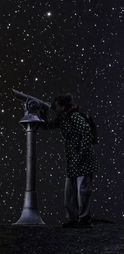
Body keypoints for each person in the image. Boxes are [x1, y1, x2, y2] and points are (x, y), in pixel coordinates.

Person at [40, 93, 99, 228]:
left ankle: (84, 220)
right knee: (70, 194)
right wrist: (43, 114)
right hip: (73, 161)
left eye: (56, 105)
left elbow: (86, 132)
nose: (54, 107)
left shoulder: (75, 117)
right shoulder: (63, 118)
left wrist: (81, 153)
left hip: (83, 160)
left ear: (63, 106)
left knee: (82, 193)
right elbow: (47, 126)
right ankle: (73, 219)